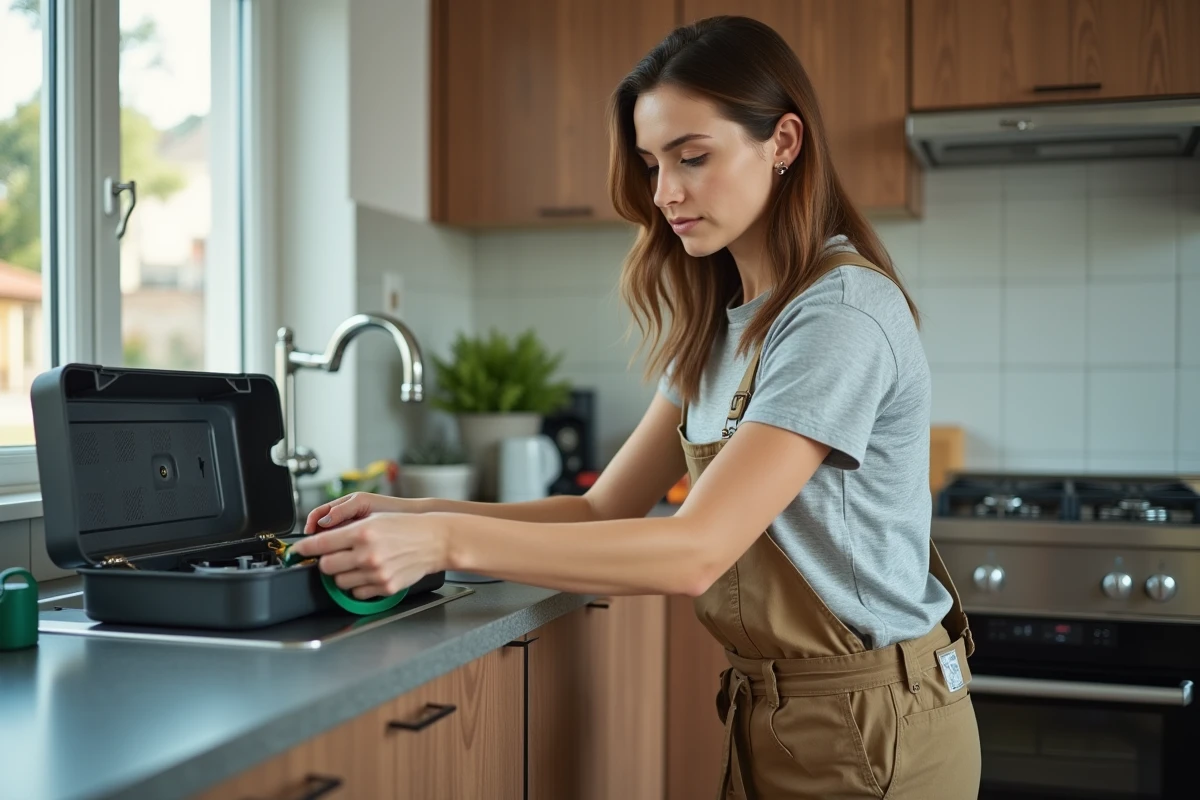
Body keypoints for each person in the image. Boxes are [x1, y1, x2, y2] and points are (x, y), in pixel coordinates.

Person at [288, 15, 981, 799]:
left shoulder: (838, 313)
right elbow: (600, 511)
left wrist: (444, 542)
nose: (665, 194)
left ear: (783, 143)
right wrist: (415, 515)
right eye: (653, 164)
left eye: (693, 158)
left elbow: (695, 551)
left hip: (875, 721)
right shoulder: (724, 325)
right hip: (782, 714)